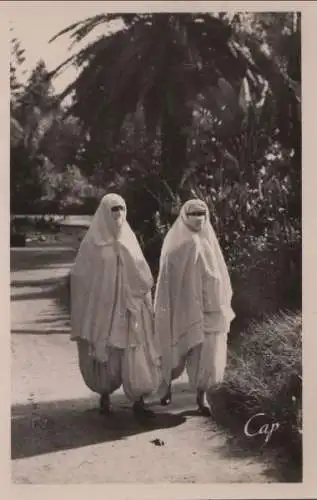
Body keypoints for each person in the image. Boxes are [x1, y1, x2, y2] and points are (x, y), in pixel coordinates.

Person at [70, 193, 161, 419]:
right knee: (106, 350)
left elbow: (143, 274)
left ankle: (138, 399)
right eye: (113, 209)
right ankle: (104, 395)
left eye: (121, 208)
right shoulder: (93, 243)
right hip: (104, 309)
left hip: (130, 308)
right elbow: (81, 276)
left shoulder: (130, 241)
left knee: (135, 350)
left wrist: (142, 298)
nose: (118, 213)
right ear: (104, 211)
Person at [154, 199, 235, 415]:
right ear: (184, 216)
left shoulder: (209, 241)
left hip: (211, 306)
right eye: (193, 213)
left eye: (202, 213)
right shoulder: (178, 244)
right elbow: (169, 277)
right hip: (186, 307)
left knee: (207, 354)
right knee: (179, 348)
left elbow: (220, 275)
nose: (198, 218)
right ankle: (166, 386)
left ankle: (202, 396)